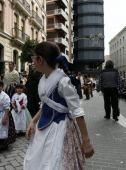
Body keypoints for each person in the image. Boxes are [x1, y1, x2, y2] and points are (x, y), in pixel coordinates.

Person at [23, 41, 94, 170]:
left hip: (61, 128)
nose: (32, 61)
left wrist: (86, 140)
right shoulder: (43, 79)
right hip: (44, 127)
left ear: (40, 60)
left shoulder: (63, 81)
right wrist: (33, 121)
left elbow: (77, 111)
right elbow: (45, 105)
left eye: (34, 57)